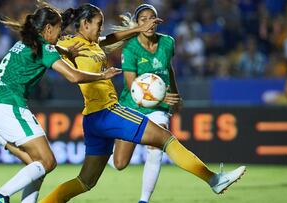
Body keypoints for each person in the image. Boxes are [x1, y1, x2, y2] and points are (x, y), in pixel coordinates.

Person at [38, 4, 246, 203]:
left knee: (85, 182)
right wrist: (48, 43)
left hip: (93, 118)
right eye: (98, 24)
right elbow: (41, 46)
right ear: (85, 24)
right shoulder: (69, 44)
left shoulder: (94, 43)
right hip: (107, 111)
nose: (100, 29)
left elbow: (112, 37)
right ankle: (213, 180)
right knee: (165, 139)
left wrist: (138, 28)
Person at [0, 4, 122, 203]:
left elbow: (27, 59)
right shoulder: (45, 46)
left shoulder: (25, 43)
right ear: (47, 29)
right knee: (48, 161)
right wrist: (102, 75)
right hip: (9, 108)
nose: (60, 34)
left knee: (37, 167)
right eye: (59, 30)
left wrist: (64, 51)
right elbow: (73, 76)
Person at [106, 4, 182, 203]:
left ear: (158, 21)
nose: (148, 22)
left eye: (152, 18)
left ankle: (144, 200)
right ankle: (104, 150)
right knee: (119, 163)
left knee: (156, 148)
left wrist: (174, 93)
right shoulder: (131, 47)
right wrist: (161, 96)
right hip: (132, 105)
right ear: (137, 24)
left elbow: (169, 69)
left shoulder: (168, 42)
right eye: (143, 19)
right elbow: (132, 85)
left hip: (158, 107)